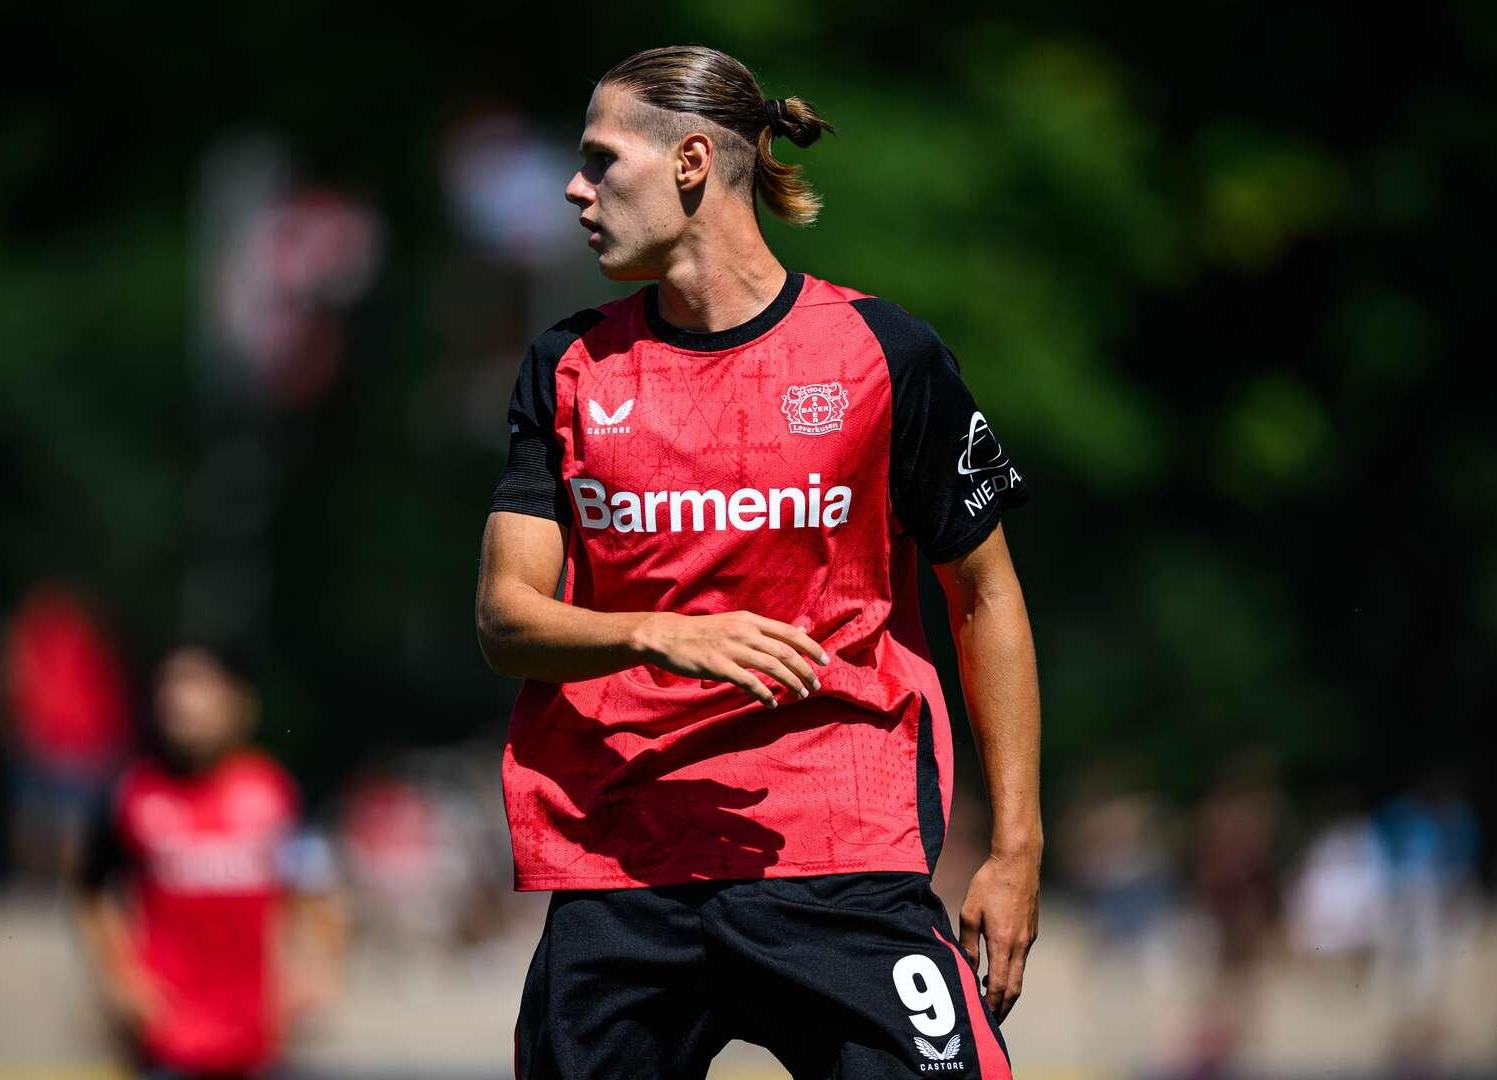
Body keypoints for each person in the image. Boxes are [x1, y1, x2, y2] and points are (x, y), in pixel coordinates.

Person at [475, 45, 1040, 1080]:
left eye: (601, 161)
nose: (573, 188)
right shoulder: (564, 367)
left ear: (692, 162)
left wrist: (1016, 846)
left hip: (839, 851)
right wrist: (656, 633)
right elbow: (506, 621)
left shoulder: (884, 354)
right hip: (623, 862)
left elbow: (986, 594)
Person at [73, 643, 345, 1080]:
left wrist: (318, 970)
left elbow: (316, 886)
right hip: (167, 1040)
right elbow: (90, 892)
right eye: (172, 689)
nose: (181, 702)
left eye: (198, 687)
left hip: (255, 1039)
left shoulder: (273, 792)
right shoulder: (133, 792)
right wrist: (120, 979)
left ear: (237, 704)